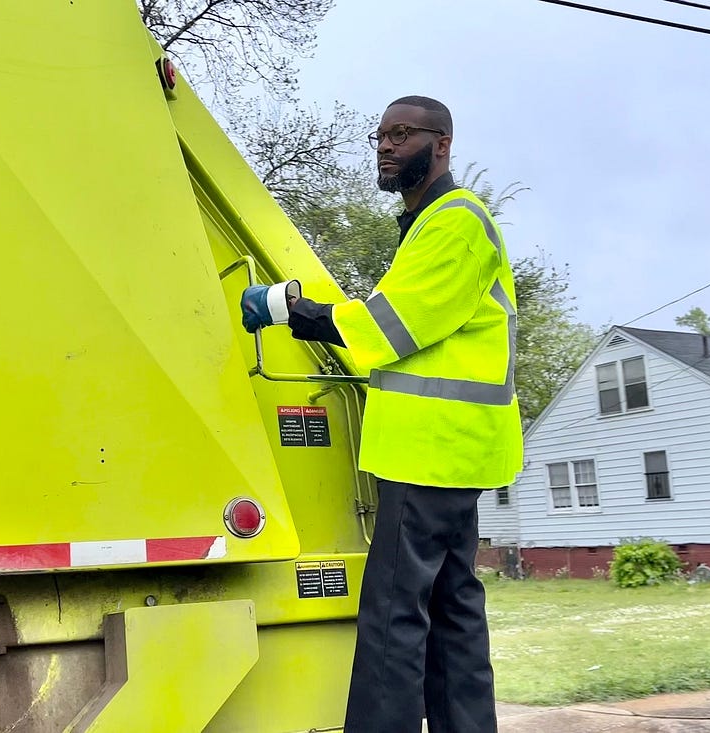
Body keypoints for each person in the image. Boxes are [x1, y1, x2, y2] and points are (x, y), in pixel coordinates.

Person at [241, 96, 522, 733]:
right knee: (453, 615)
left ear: (442, 144)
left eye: (402, 134)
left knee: (396, 618)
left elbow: (384, 329)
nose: (387, 145)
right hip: (450, 452)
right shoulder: (430, 225)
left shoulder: (455, 222)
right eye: (381, 135)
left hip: (431, 452)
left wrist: (287, 307)